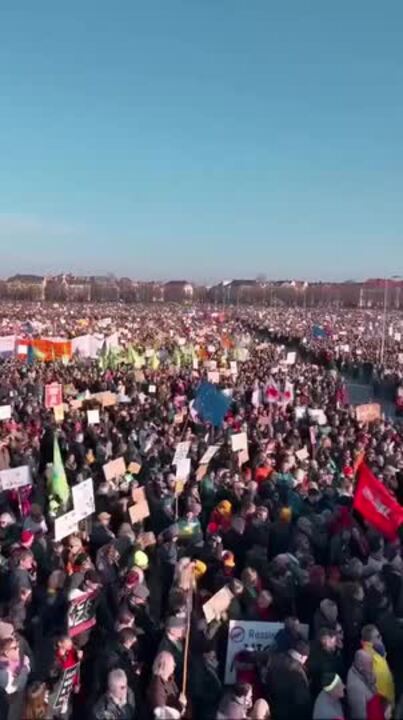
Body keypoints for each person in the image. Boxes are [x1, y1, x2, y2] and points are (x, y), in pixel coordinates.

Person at [361, 625, 395, 707]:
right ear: (370, 641)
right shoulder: (368, 659)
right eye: (378, 637)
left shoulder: (377, 652)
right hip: (384, 705)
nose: (381, 638)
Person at [346, 649, 384, 720]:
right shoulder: (355, 688)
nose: (372, 667)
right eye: (370, 664)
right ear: (361, 667)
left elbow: (373, 679)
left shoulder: (362, 669)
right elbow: (359, 715)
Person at [147, 651, 186, 717]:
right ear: (164, 665)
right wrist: (181, 706)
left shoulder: (170, 680)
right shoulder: (157, 687)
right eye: (172, 663)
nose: (175, 665)